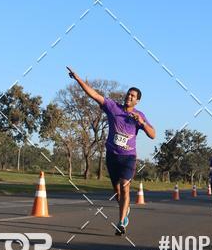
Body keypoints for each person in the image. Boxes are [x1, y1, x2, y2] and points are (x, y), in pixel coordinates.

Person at [66, 68, 156, 234]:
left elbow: (153, 135)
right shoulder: (113, 107)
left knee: (125, 187)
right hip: (112, 157)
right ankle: (125, 210)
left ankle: (121, 223)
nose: (129, 97)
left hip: (128, 158)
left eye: (133, 96)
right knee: (117, 193)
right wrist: (78, 79)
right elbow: (94, 94)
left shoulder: (139, 115)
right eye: (128, 94)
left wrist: (142, 123)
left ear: (137, 101)